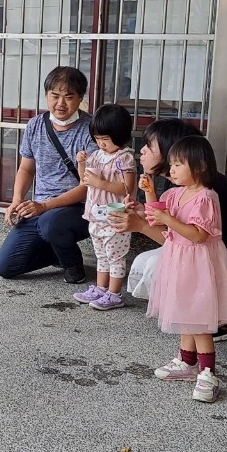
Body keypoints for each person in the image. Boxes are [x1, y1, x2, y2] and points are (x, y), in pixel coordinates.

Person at [114, 118, 227, 340]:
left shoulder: (206, 192)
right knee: (152, 264)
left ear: (172, 152)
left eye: (150, 146)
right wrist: (141, 211)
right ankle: (224, 314)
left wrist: (141, 226)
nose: (142, 151)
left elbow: (185, 240)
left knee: (155, 268)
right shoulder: (184, 183)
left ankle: (223, 321)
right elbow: (172, 226)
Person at [143, 136, 227, 404]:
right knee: (186, 311)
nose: (171, 170)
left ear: (199, 166)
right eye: (171, 164)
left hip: (198, 263)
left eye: (177, 164)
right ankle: (187, 362)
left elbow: (198, 235)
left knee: (198, 319)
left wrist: (168, 219)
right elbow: (157, 217)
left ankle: (209, 373)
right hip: (179, 261)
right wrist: (149, 193)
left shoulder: (206, 197)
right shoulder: (175, 193)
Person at [0, 65, 100, 283]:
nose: (61, 103)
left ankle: (72, 265)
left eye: (69, 97)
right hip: (40, 208)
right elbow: (26, 168)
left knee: (51, 223)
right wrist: (16, 200)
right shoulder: (35, 124)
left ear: (80, 97)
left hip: (79, 208)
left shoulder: (91, 129)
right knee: (6, 267)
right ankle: (58, 251)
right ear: (46, 95)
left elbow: (87, 186)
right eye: (55, 96)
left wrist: (44, 207)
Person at [72, 105, 138, 311]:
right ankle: (101, 289)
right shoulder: (98, 155)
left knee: (115, 256)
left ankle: (115, 293)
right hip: (97, 214)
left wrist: (101, 184)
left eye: (105, 139)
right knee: (101, 254)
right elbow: (85, 179)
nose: (100, 143)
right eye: (97, 138)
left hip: (116, 214)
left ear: (119, 136)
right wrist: (81, 163)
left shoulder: (124, 158)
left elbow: (127, 187)